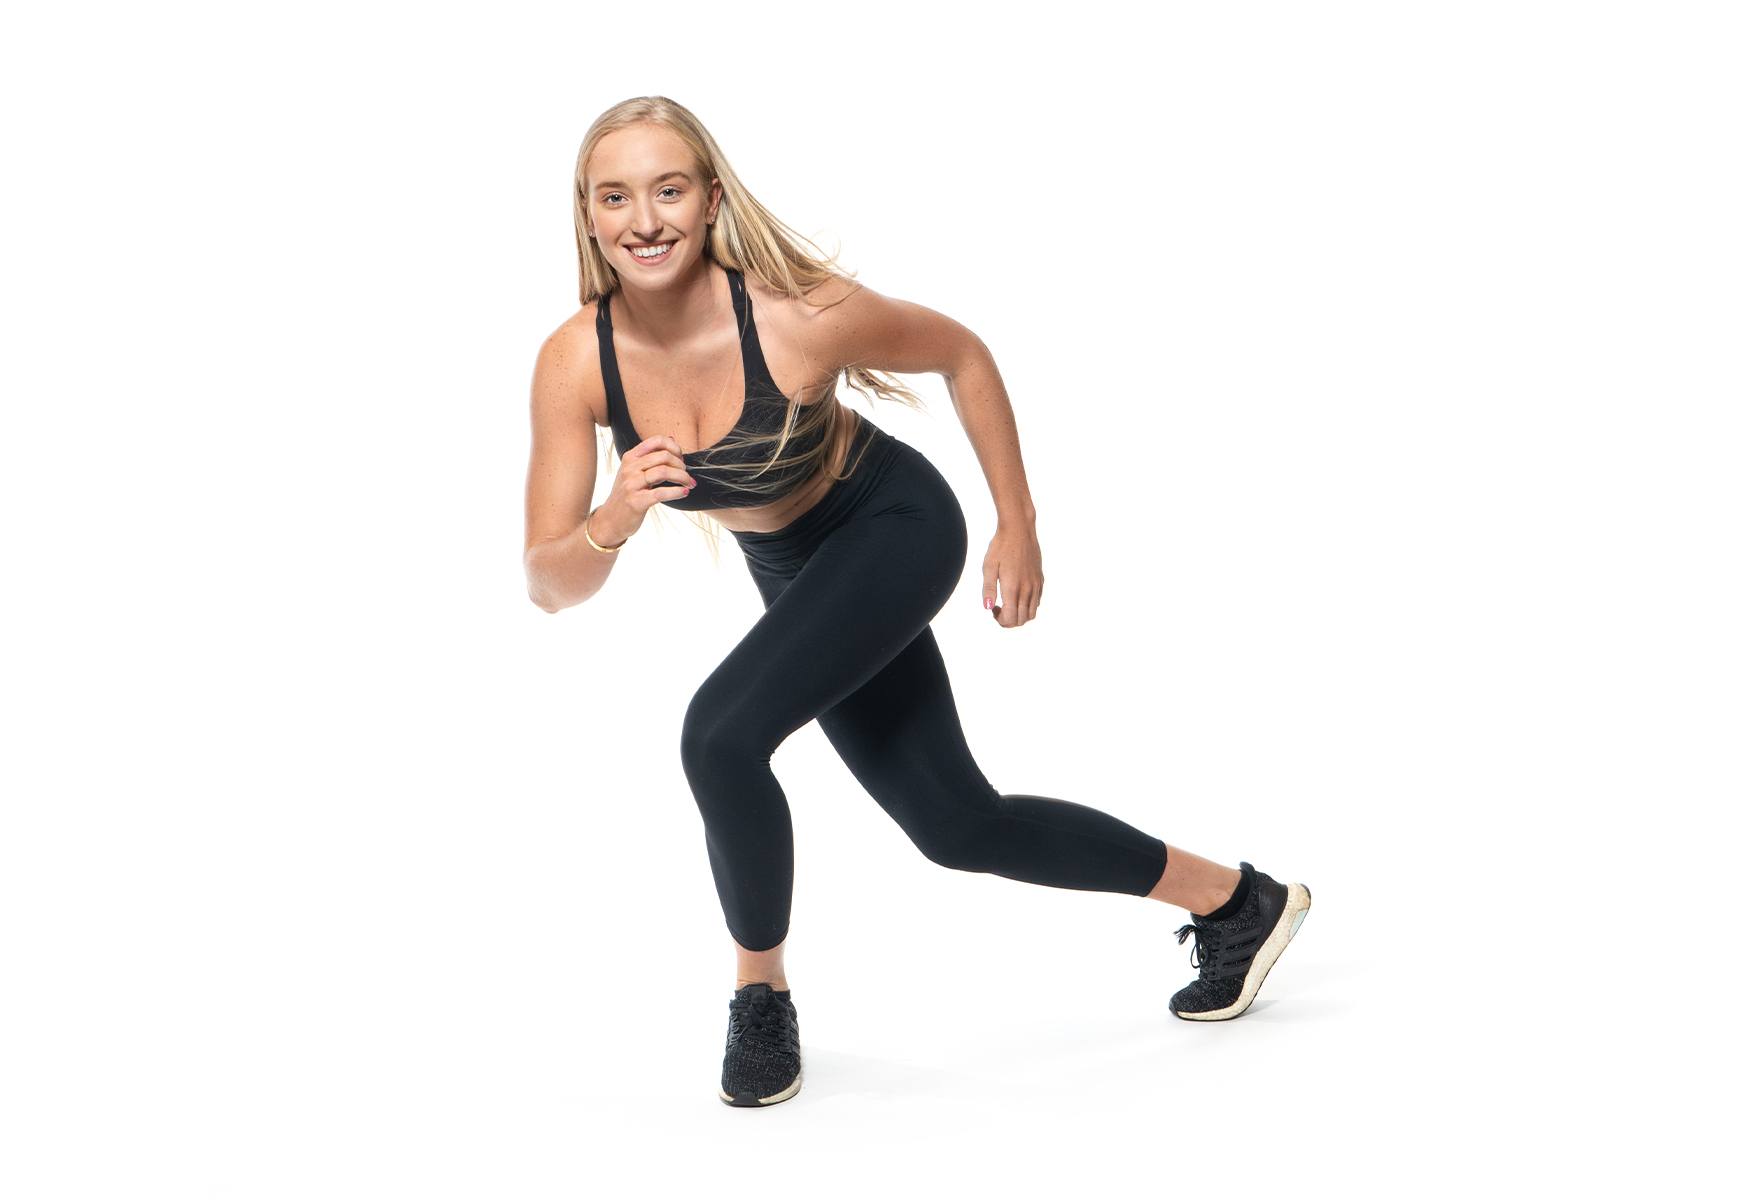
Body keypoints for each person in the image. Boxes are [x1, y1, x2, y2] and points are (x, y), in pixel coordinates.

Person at [522, 97, 1311, 1108]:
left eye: (667, 189)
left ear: (709, 199)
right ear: (587, 215)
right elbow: (548, 584)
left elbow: (961, 354)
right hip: (793, 568)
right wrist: (615, 513)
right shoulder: (572, 362)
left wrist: (1016, 522)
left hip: (887, 524)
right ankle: (1235, 903)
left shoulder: (796, 314)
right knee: (954, 825)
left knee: (717, 739)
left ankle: (758, 999)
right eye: (615, 196)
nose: (644, 219)